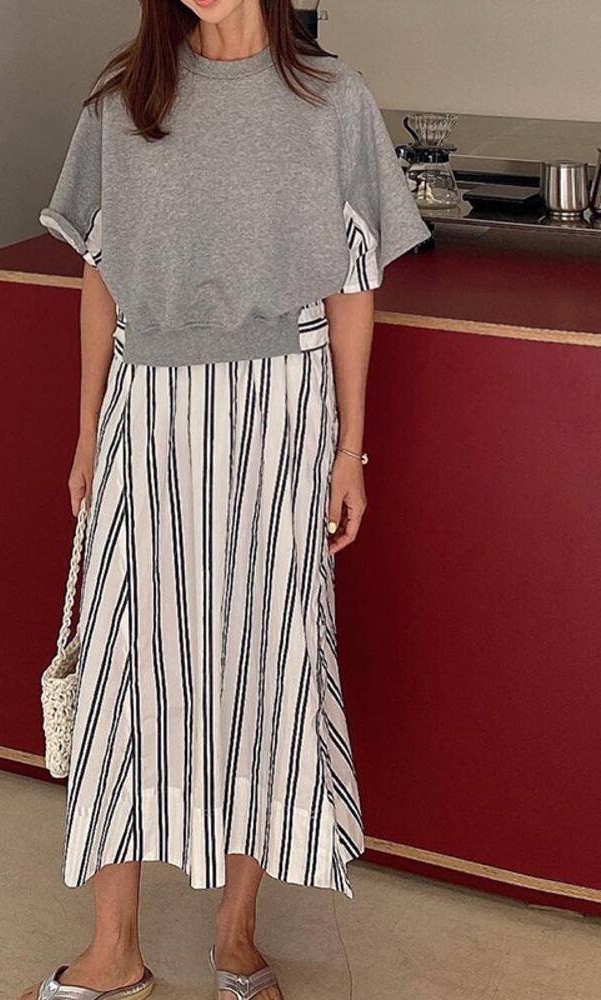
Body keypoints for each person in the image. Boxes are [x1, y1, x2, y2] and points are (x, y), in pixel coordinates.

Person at [26, 1, 429, 998]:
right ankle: (113, 950)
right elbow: (98, 277)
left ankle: (237, 934)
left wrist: (350, 447)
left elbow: (352, 283)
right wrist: (86, 428)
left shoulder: (333, 100)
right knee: (124, 664)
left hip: (282, 412)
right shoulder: (123, 101)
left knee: (266, 658)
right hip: (147, 405)